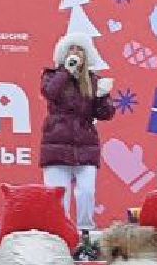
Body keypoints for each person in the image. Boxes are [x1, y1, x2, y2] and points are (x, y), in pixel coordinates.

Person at [39, 35, 115, 235]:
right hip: (56, 143)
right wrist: (66, 72)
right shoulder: (52, 75)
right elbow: (49, 92)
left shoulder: (93, 80)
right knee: (58, 194)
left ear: (86, 54)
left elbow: (105, 114)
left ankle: (85, 231)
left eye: (79, 49)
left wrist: (104, 97)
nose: (75, 53)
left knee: (87, 192)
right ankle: (60, 232)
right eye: (71, 49)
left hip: (85, 144)